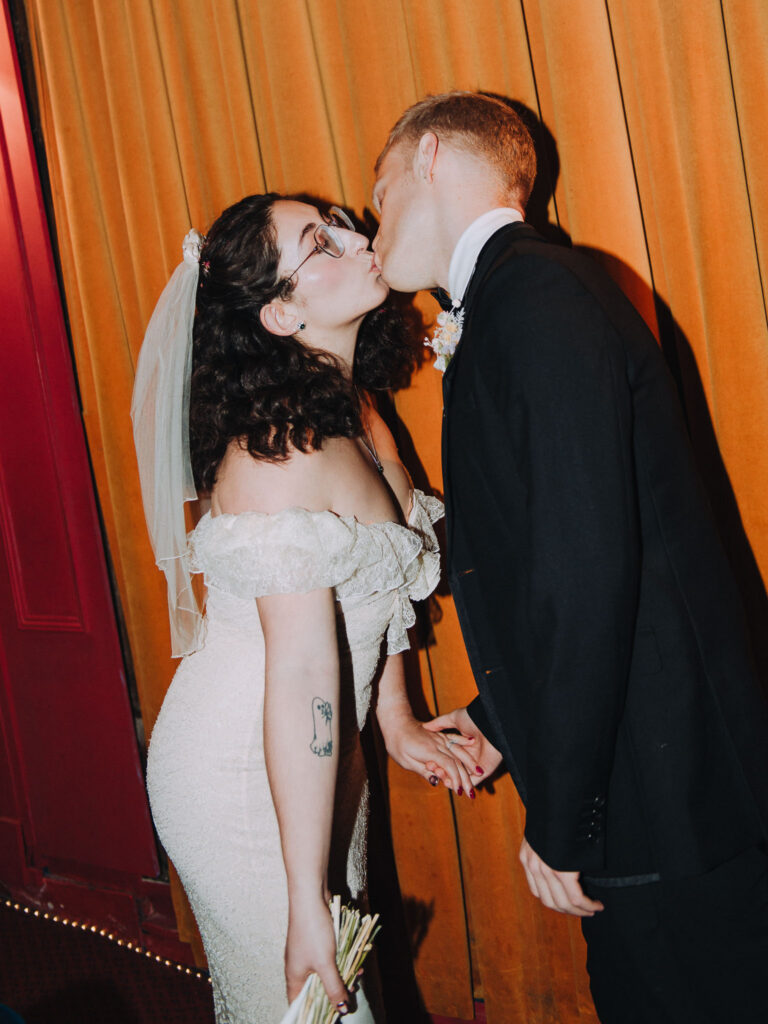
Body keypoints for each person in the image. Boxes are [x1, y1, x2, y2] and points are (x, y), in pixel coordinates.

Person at [371, 91, 768, 1023]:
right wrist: (499, 716)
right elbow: (566, 563)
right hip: (659, 774)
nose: (374, 222)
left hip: (665, 796)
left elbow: (586, 584)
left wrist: (561, 820)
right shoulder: (535, 294)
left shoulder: (538, 301)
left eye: (379, 191)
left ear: (431, 157)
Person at [131, 194, 474, 1024]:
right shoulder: (275, 454)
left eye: (338, 222)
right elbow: (304, 671)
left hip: (318, 767)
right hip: (240, 777)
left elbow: (378, 579)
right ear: (281, 313)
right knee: (316, 1005)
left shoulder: (354, 410)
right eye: (321, 243)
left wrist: (394, 718)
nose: (358, 238)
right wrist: (302, 897)